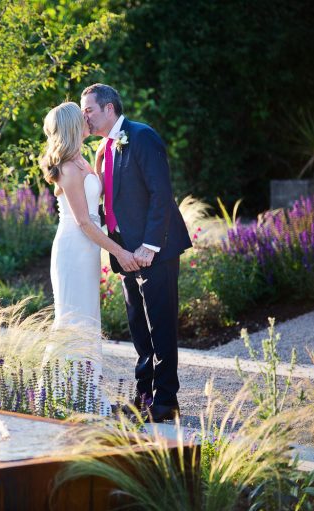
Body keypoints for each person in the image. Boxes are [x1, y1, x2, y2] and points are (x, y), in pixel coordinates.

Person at [81, 84, 192, 422]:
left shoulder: (141, 137)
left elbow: (161, 193)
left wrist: (150, 245)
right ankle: (144, 396)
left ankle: (165, 402)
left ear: (110, 108)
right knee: (139, 329)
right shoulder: (104, 147)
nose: (85, 116)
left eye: (89, 110)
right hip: (125, 255)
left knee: (160, 327)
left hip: (153, 252)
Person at [40, 101, 137, 414]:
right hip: (73, 247)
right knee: (71, 322)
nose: (87, 118)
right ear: (71, 125)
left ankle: (85, 391)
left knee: (88, 320)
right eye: (81, 116)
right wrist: (119, 251)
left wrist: (99, 160)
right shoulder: (67, 167)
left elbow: (95, 200)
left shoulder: (81, 159)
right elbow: (83, 221)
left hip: (88, 249)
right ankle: (53, 393)